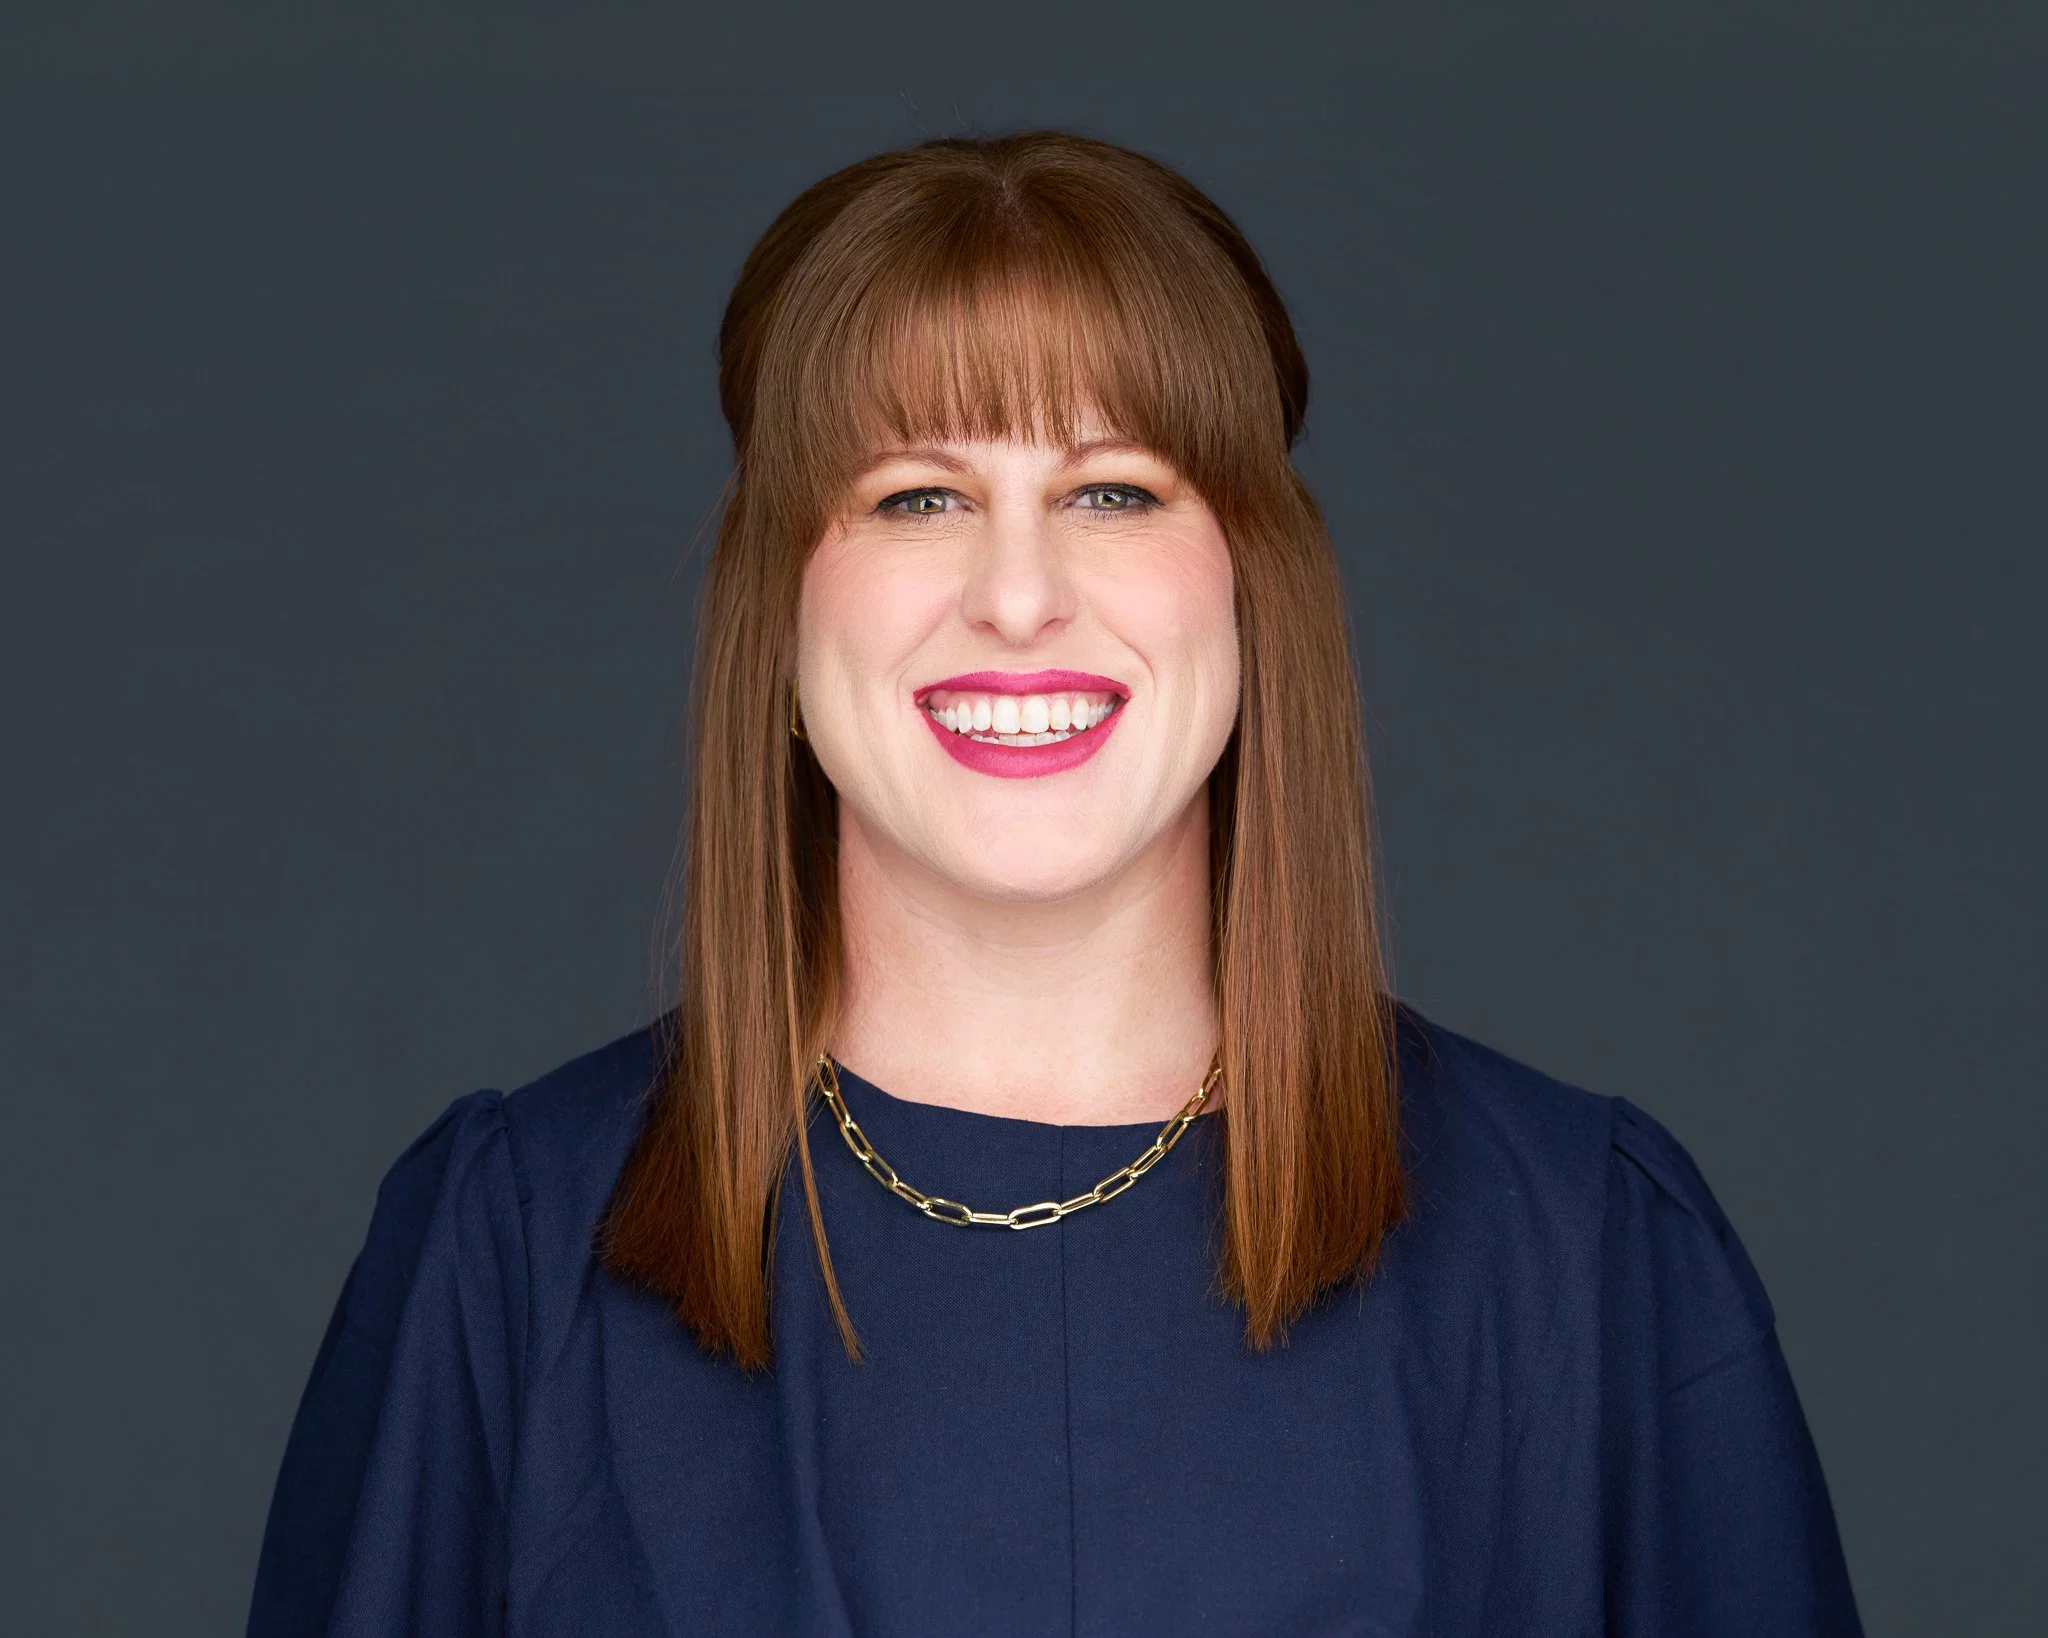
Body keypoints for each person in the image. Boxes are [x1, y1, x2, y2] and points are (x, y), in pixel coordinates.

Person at [247, 131, 1863, 1636]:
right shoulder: (513, 1254)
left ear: (1251, 582)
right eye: (916, 497)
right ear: (783, 609)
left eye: (1113, 489)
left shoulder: (1587, 1257)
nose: (1018, 596)